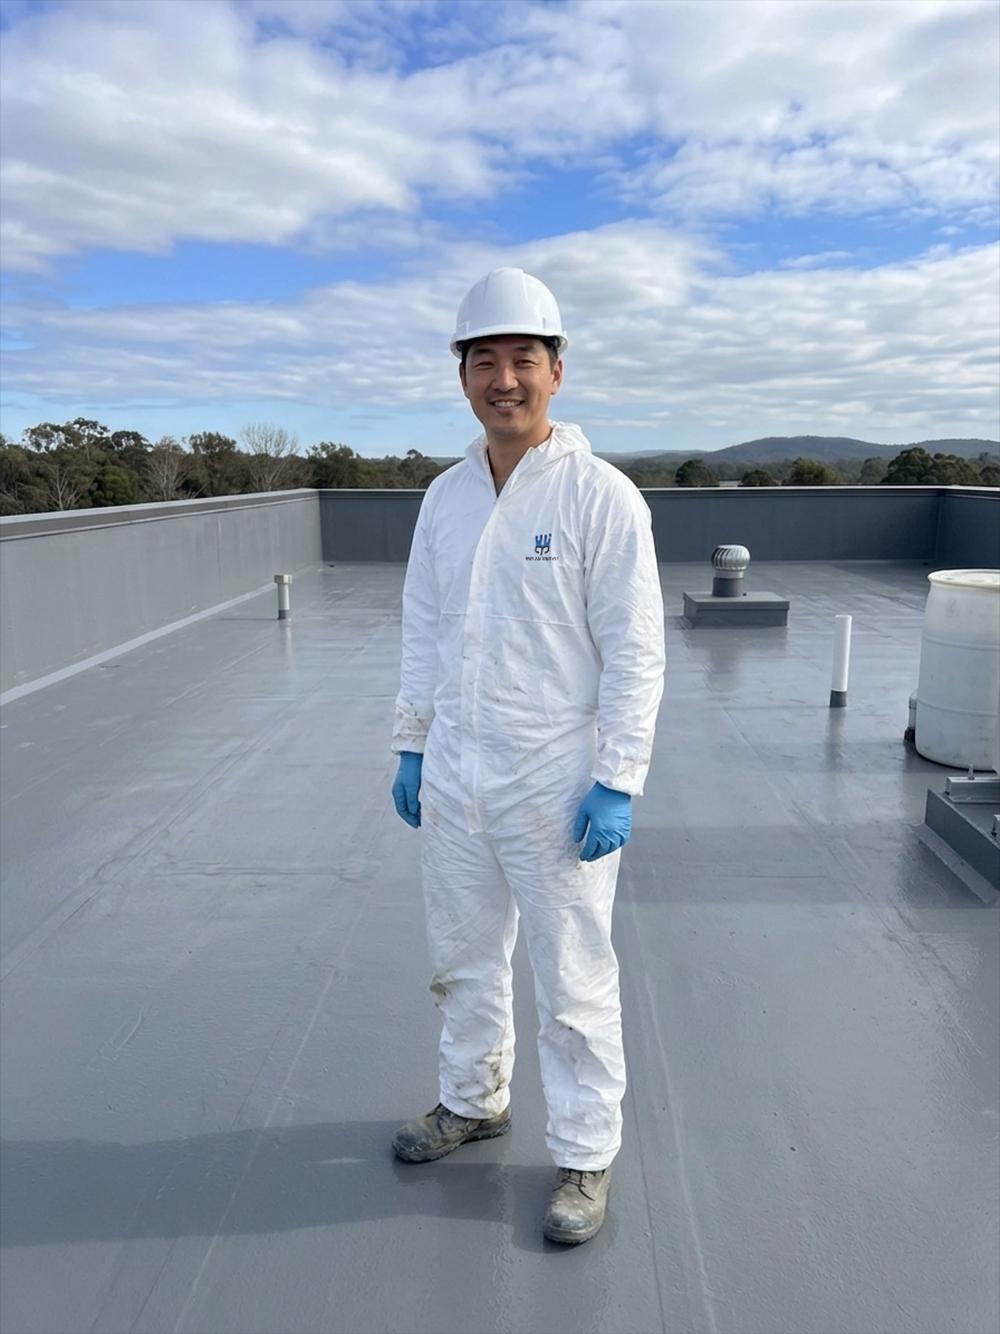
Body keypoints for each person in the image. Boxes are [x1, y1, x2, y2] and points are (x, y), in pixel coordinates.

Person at [390, 267, 665, 1245]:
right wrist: (412, 742)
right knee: (463, 958)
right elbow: (426, 625)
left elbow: (635, 647)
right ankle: (473, 1099)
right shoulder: (447, 497)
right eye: (483, 360)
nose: (502, 378)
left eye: (521, 359)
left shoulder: (600, 497)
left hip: (555, 774)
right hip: (459, 767)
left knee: (572, 971)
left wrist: (617, 776)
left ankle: (585, 1153)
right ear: (462, 375)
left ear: (556, 369)